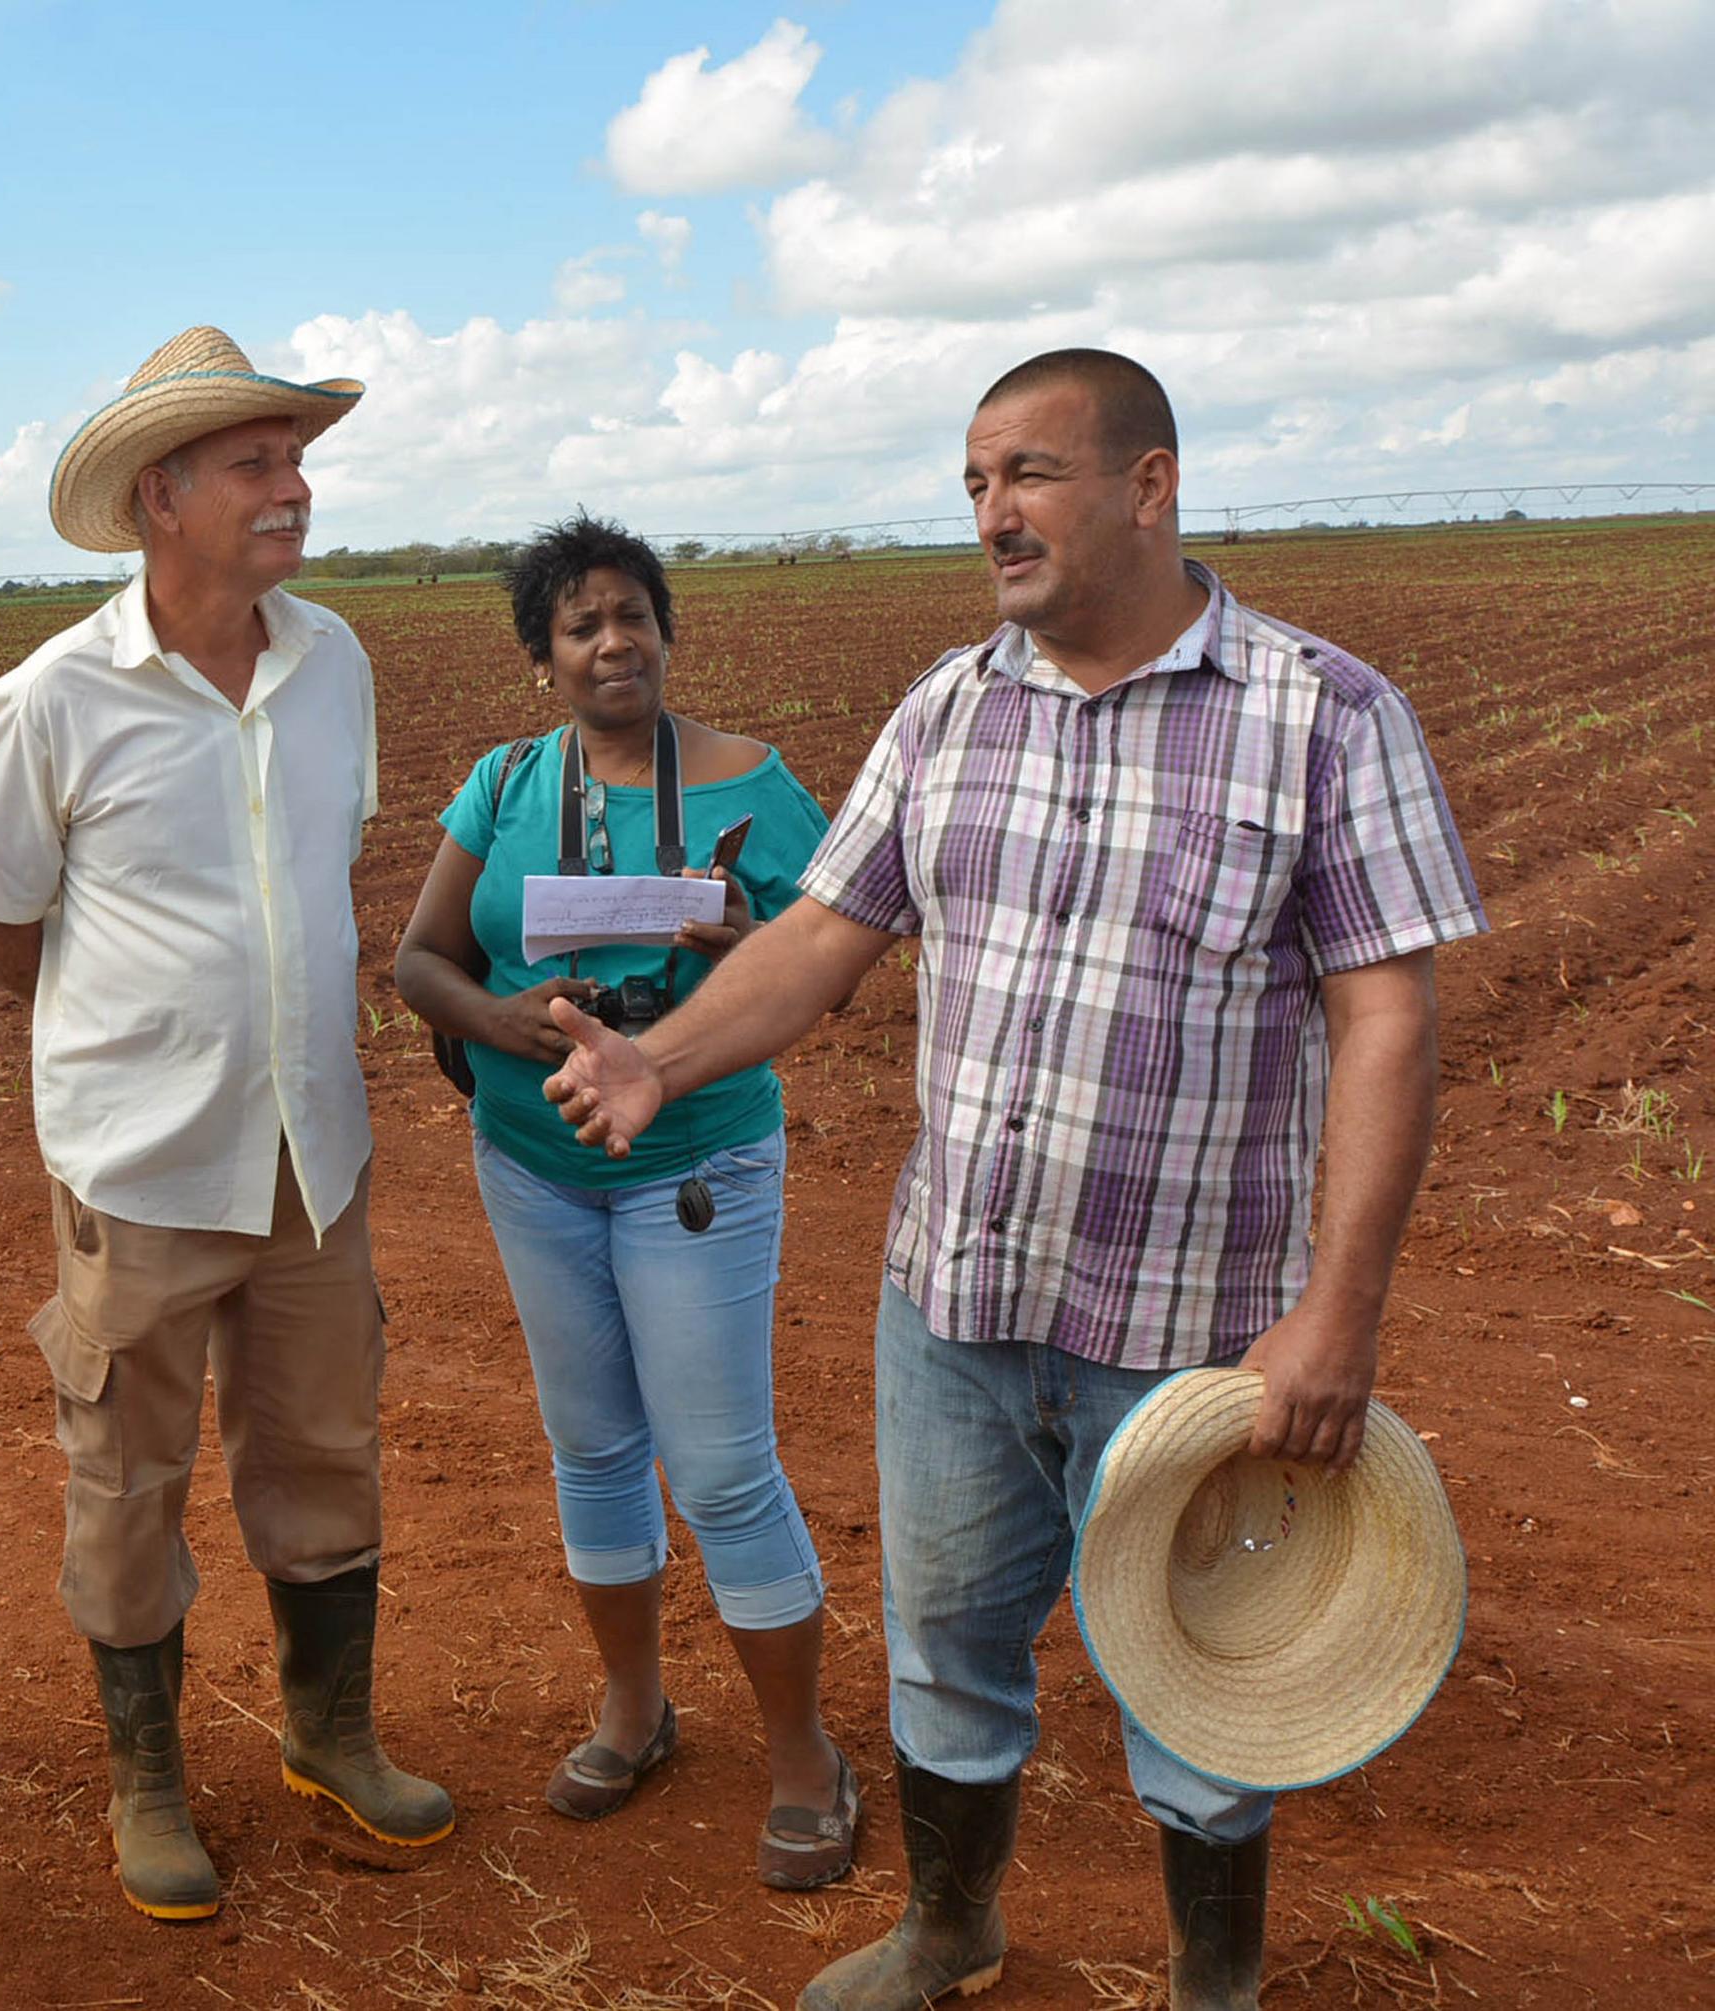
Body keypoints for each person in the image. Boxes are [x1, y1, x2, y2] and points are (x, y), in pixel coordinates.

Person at [542, 351, 1484, 2011]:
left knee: (1199, 1686)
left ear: (1149, 482)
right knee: (945, 1649)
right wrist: (661, 1058)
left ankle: (1213, 1981)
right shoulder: (950, 709)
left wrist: (1339, 1314)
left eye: (1031, 473)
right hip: (957, 1305)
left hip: (1189, 1334)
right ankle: (952, 1926)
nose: (994, 514)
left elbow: (1387, 1014)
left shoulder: (1325, 712)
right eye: (976, 481)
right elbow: (826, 939)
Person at [0, 326, 448, 1921]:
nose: (294, 490)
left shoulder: (333, 659)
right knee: (128, 1475)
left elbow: (320, 870)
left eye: (296, 461)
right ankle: (148, 1779)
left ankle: (328, 1735)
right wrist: (140, 1046)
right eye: (258, 464)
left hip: (313, 1158)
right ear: (163, 496)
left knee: (323, 1451)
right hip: (138, 1168)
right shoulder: (48, 701)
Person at [392, 515, 856, 1883]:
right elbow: (421, 961)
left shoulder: (754, 785)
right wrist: (504, 1017)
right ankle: (635, 1711)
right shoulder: (503, 783)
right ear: (543, 657)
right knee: (592, 1447)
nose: (613, 642)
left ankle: (802, 1758)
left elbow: (838, 961)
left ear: (667, 630)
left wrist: (743, 941)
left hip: (695, 1167)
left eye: (633, 615)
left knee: (719, 1467)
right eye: (582, 624)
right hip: (535, 1167)